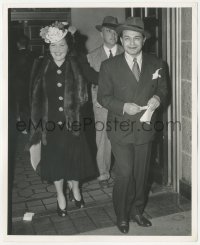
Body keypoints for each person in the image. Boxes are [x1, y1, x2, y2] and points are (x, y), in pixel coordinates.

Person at [97, 17, 168, 233]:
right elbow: (103, 97)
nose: (132, 43)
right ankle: (122, 215)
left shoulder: (157, 64)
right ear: (121, 39)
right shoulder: (109, 65)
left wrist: (157, 99)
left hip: (145, 129)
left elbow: (163, 90)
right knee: (126, 173)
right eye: (127, 38)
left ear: (144, 40)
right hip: (120, 128)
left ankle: (137, 210)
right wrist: (122, 106)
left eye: (137, 38)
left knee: (141, 173)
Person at [29, 21, 98, 217]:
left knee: (74, 160)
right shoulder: (40, 66)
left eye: (62, 45)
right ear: (48, 46)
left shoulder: (76, 64)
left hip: (73, 124)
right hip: (49, 125)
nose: (58, 50)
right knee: (56, 161)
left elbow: (90, 86)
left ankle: (75, 189)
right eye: (53, 46)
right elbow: (33, 97)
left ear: (69, 47)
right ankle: (60, 195)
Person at [87, 16, 124, 187]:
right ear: (101, 34)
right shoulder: (92, 57)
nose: (113, 34)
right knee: (102, 138)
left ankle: (124, 171)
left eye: (115, 31)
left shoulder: (127, 54)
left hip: (123, 105)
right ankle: (103, 173)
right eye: (108, 31)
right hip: (100, 106)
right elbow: (88, 84)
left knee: (124, 136)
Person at [12, 34, 35, 134]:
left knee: (22, 105)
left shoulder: (14, 56)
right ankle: (32, 125)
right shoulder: (33, 54)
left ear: (18, 44)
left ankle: (24, 127)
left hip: (19, 84)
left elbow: (12, 72)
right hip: (31, 83)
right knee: (30, 104)